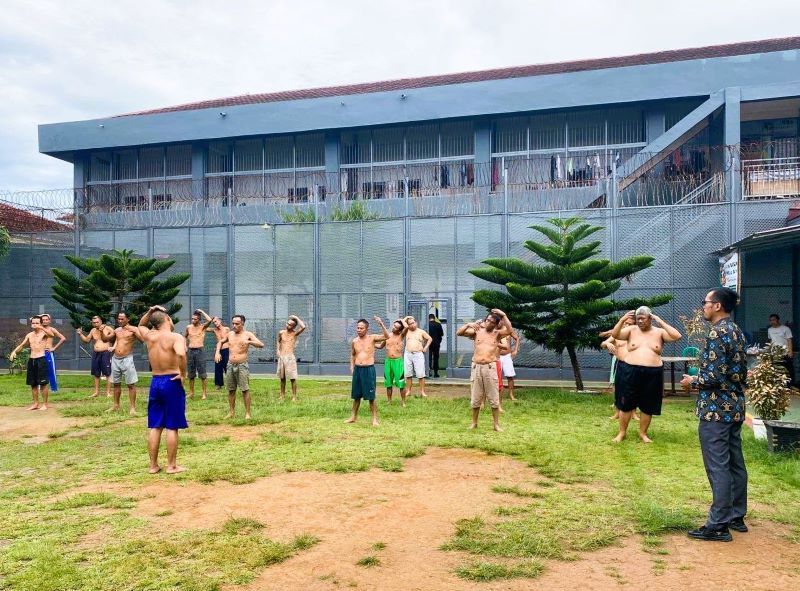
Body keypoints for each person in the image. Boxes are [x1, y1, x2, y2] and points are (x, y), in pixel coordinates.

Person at [680, 288, 748, 542]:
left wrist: (692, 380)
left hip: (715, 410)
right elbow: (736, 371)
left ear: (717, 306)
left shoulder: (717, 332)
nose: (703, 307)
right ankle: (736, 516)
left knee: (718, 465)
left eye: (705, 302)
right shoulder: (736, 330)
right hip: (735, 406)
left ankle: (718, 524)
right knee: (735, 463)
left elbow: (713, 377)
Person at [610, 306, 682, 443]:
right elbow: (615, 335)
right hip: (631, 371)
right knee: (626, 404)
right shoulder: (631, 330)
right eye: (638, 319)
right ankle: (622, 433)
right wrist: (622, 320)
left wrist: (660, 321)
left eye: (643, 318)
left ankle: (643, 433)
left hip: (653, 373)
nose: (640, 321)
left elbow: (677, 336)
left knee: (648, 405)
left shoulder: (659, 332)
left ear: (650, 318)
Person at [138, 305, 188, 474]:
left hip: (156, 381)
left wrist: (150, 311)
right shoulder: (176, 337)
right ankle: (172, 466)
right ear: (167, 319)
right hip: (171, 380)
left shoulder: (150, 336)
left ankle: (153, 466)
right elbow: (181, 354)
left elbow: (141, 325)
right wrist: (183, 374)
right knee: (172, 426)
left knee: (156, 426)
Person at [457, 309, 513, 432]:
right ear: (485, 320)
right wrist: (469, 324)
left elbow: (509, 330)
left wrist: (503, 315)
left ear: (496, 324)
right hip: (476, 367)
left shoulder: (497, 334)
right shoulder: (477, 331)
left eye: (492, 322)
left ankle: (496, 425)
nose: (489, 323)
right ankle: (474, 423)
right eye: (487, 320)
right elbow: (459, 333)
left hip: (490, 367)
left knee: (494, 397)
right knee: (476, 396)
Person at [215, 315, 264, 420]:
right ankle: (231, 412)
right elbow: (220, 342)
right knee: (231, 390)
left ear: (242, 324)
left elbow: (261, 344)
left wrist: (249, 342)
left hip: (242, 365)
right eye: (233, 323)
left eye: (237, 324)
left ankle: (247, 413)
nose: (234, 325)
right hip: (230, 365)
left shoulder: (247, 334)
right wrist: (217, 352)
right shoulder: (230, 334)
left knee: (245, 390)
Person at [346, 317, 389, 426]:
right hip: (358, 370)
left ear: (366, 329)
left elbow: (386, 336)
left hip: (368, 370)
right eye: (358, 328)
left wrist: (381, 324)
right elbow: (353, 355)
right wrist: (352, 367)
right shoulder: (354, 341)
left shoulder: (372, 338)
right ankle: (353, 417)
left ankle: (375, 419)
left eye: (361, 328)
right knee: (356, 396)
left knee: (371, 396)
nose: (359, 330)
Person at [600, 317, 638, 421]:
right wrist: (607, 343)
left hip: (634, 364)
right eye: (626, 323)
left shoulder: (637, 335)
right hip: (620, 363)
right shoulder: (616, 335)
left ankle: (633, 413)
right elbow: (602, 343)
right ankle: (617, 412)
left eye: (630, 324)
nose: (627, 325)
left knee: (634, 388)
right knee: (618, 388)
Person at [9, 316, 50, 410]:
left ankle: (45, 404)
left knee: (43, 384)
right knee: (33, 384)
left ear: (41, 324)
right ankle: (35, 404)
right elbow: (22, 345)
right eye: (33, 323)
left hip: (41, 359)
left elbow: (51, 335)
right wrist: (14, 352)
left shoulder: (44, 333)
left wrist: (42, 327)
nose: (35, 325)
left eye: (37, 323)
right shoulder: (29, 335)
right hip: (32, 360)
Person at [109, 311, 141, 415]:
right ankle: (116, 405)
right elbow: (109, 339)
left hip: (127, 359)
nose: (120, 321)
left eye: (122, 319)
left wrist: (135, 331)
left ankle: (132, 408)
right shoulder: (117, 330)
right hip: (115, 358)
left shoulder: (134, 329)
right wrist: (102, 330)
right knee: (116, 383)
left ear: (128, 319)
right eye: (118, 319)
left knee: (130, 384)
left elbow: (143, 340)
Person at [76, 316, 115, 399]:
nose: (96, 324)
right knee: (96, 374)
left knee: (107, 373)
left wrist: (113, 347)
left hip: (105, 353)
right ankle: (96, 392)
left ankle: (108, 393)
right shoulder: (93, 330)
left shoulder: (108, 328)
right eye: (94, 322)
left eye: (97, 322)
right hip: (96, 353)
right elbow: (86, 340)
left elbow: (113, 337)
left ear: (101, 321)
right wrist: (80, 334)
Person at [184, 309, 213, 400]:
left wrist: (201, 311)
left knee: (203, 374)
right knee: (191, 374)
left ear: (199, 320)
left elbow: (210, 320)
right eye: (192, 319)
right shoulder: (188, 327)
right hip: (190, 351)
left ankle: (204, 393)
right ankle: (191, 392)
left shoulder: (202, 327)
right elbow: (184, 337)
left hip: (200, 351)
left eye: (195, 319)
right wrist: (185, 346)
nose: (193, 320)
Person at [277, 315, 306, 401]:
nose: (287, 325)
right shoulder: (281, 332)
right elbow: (278, 341)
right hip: (282, 357)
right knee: (282, 378)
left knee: (293, 378)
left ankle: (294, 396)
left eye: (290, 325)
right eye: (287, 323)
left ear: (293, 326)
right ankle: (282, 395)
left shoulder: (294, 333)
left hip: (290, 357)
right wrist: (277, 350)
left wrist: (296, 317)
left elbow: (303, 327)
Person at [402, 315, 432, 398]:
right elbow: (402, 322)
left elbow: (430, 339)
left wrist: (425, 347)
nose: (412, 325)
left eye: (413, 323)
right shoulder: (406, 330)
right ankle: (408, 391)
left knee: (420, 374)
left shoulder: (421, 331)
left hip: (418, 354)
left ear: (416, 322)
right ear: (408, 325)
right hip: (408, 354)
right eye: (410, 324)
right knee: (408, 374)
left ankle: (422, 392)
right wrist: (407, 317)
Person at [382, 317, 408, 405]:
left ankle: (403, 401)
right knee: (388, 383)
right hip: (388, 362)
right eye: (394, 326)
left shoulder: (401, 336)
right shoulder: (387, 336)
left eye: (396, 327)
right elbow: (380, 346)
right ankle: (389, 401)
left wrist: (403, 320)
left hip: (398, 362)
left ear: (400, 330)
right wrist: (372, 344)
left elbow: (406, 327)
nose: (393, 328)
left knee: (401, 383)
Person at [40, 313, 66, 395]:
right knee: (39, 370)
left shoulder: (52, 329)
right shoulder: (38, 329)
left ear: (49, 321)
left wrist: (54, 348)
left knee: (51, 370)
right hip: (39, 352)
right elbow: (32, 319)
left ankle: (54, 389)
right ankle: (40, 387)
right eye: (43, 320)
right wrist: (41, 316)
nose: (45, 321)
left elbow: (63, 338)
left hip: (48, 353)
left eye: (46, 319)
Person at [767, 313, 795, 388]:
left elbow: (789, 340)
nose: (772, 322)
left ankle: (790, 386)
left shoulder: (786, 329)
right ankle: (778, 385)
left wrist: (790, 351)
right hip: (775, 353)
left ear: (778, 320)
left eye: (773, 320)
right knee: (776, 369)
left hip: (785, 352)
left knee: (788, 370)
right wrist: (769, 351)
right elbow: (771, 341)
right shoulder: (770, 330)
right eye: (770, 320)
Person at [498, 330, 520, 404]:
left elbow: (517, 338)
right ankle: (497, 396)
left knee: (510, 376)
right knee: (496, 377)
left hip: (507, 356)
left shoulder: (508, 329)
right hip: (497, 356)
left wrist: (516, 350)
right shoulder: (494, 329)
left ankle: (511, 395)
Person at [210, 316, 231, 390]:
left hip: (226, 350)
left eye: (216, 321)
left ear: (220, 321)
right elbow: (204, 328)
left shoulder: (226, 329)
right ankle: (218, 384)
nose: (215, 323)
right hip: (218, 351)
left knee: (227, 367)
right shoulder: (214, 330)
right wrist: (209, 320)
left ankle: (229, 383)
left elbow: (231, 338)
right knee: (218, 367)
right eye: (213, 322)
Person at [427, 313, 444, 378]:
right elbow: (441, 334)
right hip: (436, 343)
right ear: (434, 318)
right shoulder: (438, 324)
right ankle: (436, 373)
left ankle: (429, 372)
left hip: (428, 344)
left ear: (428, 318)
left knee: (429, 358)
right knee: (436, 358)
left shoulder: (427, 324)